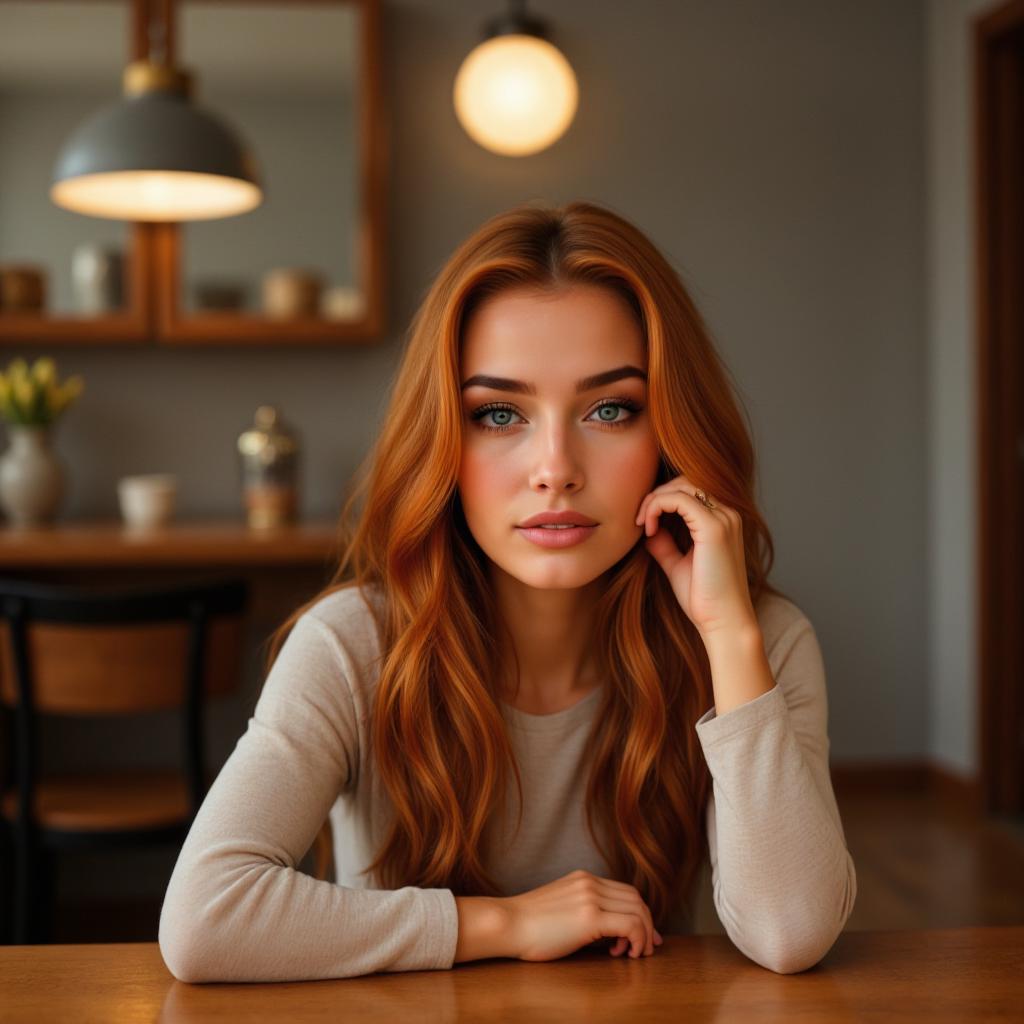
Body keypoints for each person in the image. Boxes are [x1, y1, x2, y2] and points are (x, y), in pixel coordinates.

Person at [158, 200, 857, 983]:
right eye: (498, 413)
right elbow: (203, 920)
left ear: (668, 435)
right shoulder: (352, 644)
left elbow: (791, 931)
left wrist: (727, 635)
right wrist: (505, 922)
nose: (555, 466)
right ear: (443, 443)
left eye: (609, 409)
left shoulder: (757, 641)